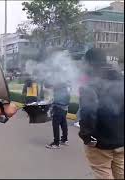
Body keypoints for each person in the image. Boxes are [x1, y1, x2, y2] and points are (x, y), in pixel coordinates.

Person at [78, 48, 124, 179]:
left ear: (89, 62)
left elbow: (88, 113)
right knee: (121, 171)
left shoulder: (90, 83)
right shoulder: (121, 78)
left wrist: (87, 136)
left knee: (102, 171)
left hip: (101, 141)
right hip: (121, 139)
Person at [45, 71, 71, 149]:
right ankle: (64, 139)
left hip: (58, 107)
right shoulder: (64, 84)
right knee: (63, 123)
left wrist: (51, 104)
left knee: (55, 125)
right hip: (65, 107)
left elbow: (47, 85)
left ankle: (56, 143)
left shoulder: (58, 84)